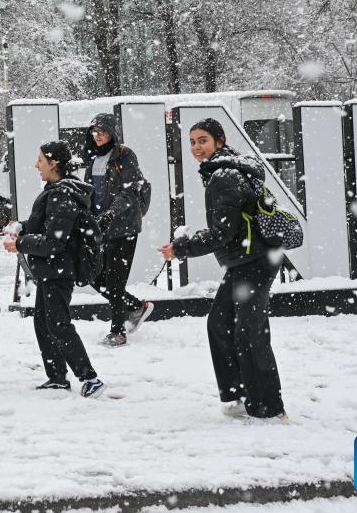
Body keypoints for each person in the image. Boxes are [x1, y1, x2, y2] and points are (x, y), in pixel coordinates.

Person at [158, 118, 287, 421]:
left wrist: (181, 247)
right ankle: (239, 395)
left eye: (202, 140)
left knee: (249, 333)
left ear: (219, 141)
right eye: (192, 142)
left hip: (254, 261)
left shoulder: (224, 175)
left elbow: (222, 233)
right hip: (247, 259)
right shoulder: (224, 171)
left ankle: (269, 406)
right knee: (220, 323)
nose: (196, 147)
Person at [4, 140, 106, 399]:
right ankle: (57, 377)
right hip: (51, 271)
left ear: (54, 163)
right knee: (43, 323)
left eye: (40, 160)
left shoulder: (62, 193)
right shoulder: (57, 190)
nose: (36, 165)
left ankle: (90, 378)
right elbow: (47, 224)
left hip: (58, 270)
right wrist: (22, 227)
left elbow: (54, 241)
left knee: (58, 324)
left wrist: (20, 243)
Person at [83, 113, 154, 347]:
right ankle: (135, 306)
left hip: (124, 227)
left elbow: (129, 191)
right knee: (92, 275)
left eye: (102, 130)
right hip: (100, 227)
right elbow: (90, 193)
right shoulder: (94, 159)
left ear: (113, 132)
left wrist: (111, 213)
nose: (97, 135)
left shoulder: (124, 155)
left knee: (115, 280)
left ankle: (118, 331)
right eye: (94, 131)